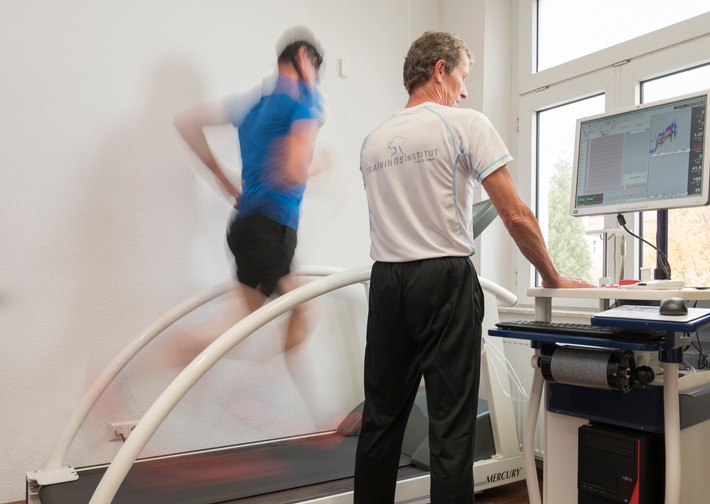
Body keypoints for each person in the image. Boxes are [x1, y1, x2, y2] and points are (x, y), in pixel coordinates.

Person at [353, 31, 594, 504]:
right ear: (439, 70)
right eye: (463, 76)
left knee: (380, 420)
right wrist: (552, 277)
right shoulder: (464, 123)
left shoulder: (373, 141)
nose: (464, 91)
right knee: (451, 426)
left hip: (386, 284)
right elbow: (516, 215)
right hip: (442, 279)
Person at [173, 26, 326, 352]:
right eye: (316, 69)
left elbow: (187, 122)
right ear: (303, 58)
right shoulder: (303, 102)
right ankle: (145, 366)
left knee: (304, 307)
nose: (315, 79)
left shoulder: (252, 104)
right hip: (269, 228)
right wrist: (322, 165)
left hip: (250, 225)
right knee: (224, 330)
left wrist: (221, 177)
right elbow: (293, 171)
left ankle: (283, 378)